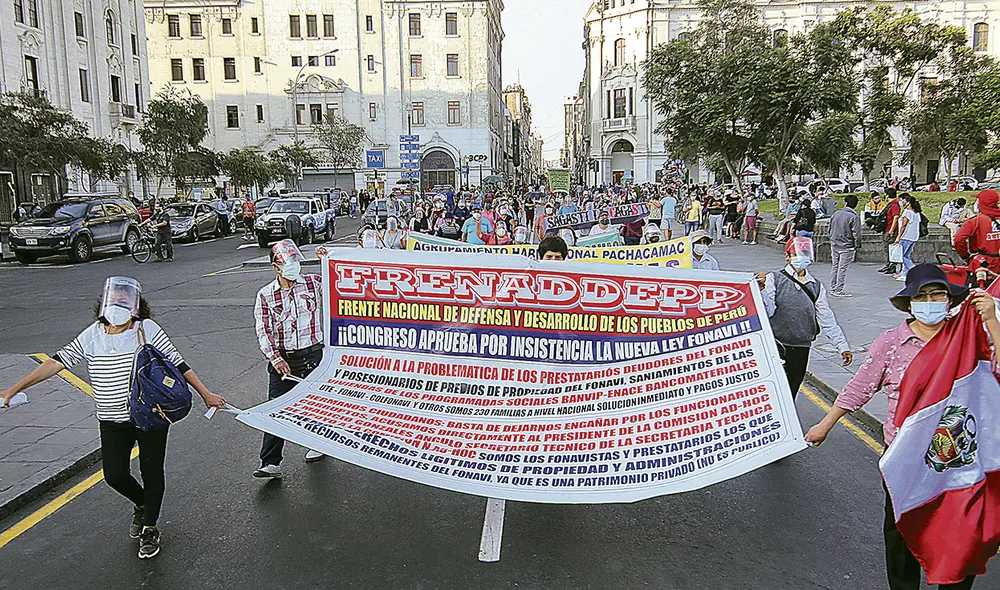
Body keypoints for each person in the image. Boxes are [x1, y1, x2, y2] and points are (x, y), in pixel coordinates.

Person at [1, 277, 225, 559]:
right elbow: (57, 362)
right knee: (114, 475)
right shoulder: (93, 334)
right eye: (115, 298)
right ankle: (143, 504)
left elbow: (178, 364)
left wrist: (206, 394)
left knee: (151, 471)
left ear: (135, 305)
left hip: (149, 414)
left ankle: (150, 527)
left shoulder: (146, 329)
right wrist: (15, 388)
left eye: (125, 299)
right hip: (111, 419)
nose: (119, 304)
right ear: (104, 303)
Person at [805, 264, 992, 590]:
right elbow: (860, 388)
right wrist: (825, 424)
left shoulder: (967, 338)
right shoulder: (891, 343)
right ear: (909, 304)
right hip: (905, 458)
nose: (930, 302)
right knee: (901, 533)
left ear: (949, 300)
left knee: (962, 533)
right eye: (922, 296)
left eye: (937, 295)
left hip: (956, 459)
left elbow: (996, 370)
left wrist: (992, 319)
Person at [253, 241, 327, 479]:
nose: (294, 266)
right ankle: (270, 462)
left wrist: (328, 259)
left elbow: (340, 280)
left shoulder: (313, 284)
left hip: (313, 354)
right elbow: (263, 331)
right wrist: (275, 359)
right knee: (276, 408)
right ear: (275, 267)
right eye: (288, 263)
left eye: (296, 261)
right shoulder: (266, 295)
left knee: (316, 404)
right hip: (284, 358)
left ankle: (317, 443)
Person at [757, 237, 852, 399]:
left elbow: (827, 319)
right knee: (773, 391)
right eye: (796, 254)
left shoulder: (816, 286)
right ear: (787, 256)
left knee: (792, 390)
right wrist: (763, 291)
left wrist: (842, 346)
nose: (801, 258)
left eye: (805, 254)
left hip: (801, 347)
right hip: (776, 344)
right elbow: (769, 311)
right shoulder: (774, 278)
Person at [954, 189, 1000, 277]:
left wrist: (965, 256)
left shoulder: (974, 221)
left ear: (980, 203)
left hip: (982, 266)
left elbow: (958, 240)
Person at [829, 195, 863, 297]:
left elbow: (830, 228)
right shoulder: (854, 216)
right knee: (842, 268)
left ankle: (833, 287)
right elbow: (856, 233)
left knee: (835, 266)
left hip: (835, 243)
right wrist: (857, 244)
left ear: (845, 202)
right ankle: (839, 289)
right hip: (847, 245)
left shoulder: (836, 214)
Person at [894, 195, 922, 281]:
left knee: (902, 255)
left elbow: (904, 226)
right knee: (907, 255)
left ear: (908, 203)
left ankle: (912, 268)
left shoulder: (907, 212)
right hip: (914, 236)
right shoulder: (917, 213)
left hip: (906, 236)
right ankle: (906, 274)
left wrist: (898, 237)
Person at [879, 189, 903, 274]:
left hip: (890, 229)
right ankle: (888, 264)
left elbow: (896, 217)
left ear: (887, 195)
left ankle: (892, 265)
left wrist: (891, 230)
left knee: (890, 248)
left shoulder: (894, 205)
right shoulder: (891, 204)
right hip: (887, 228)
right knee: (887, 248)